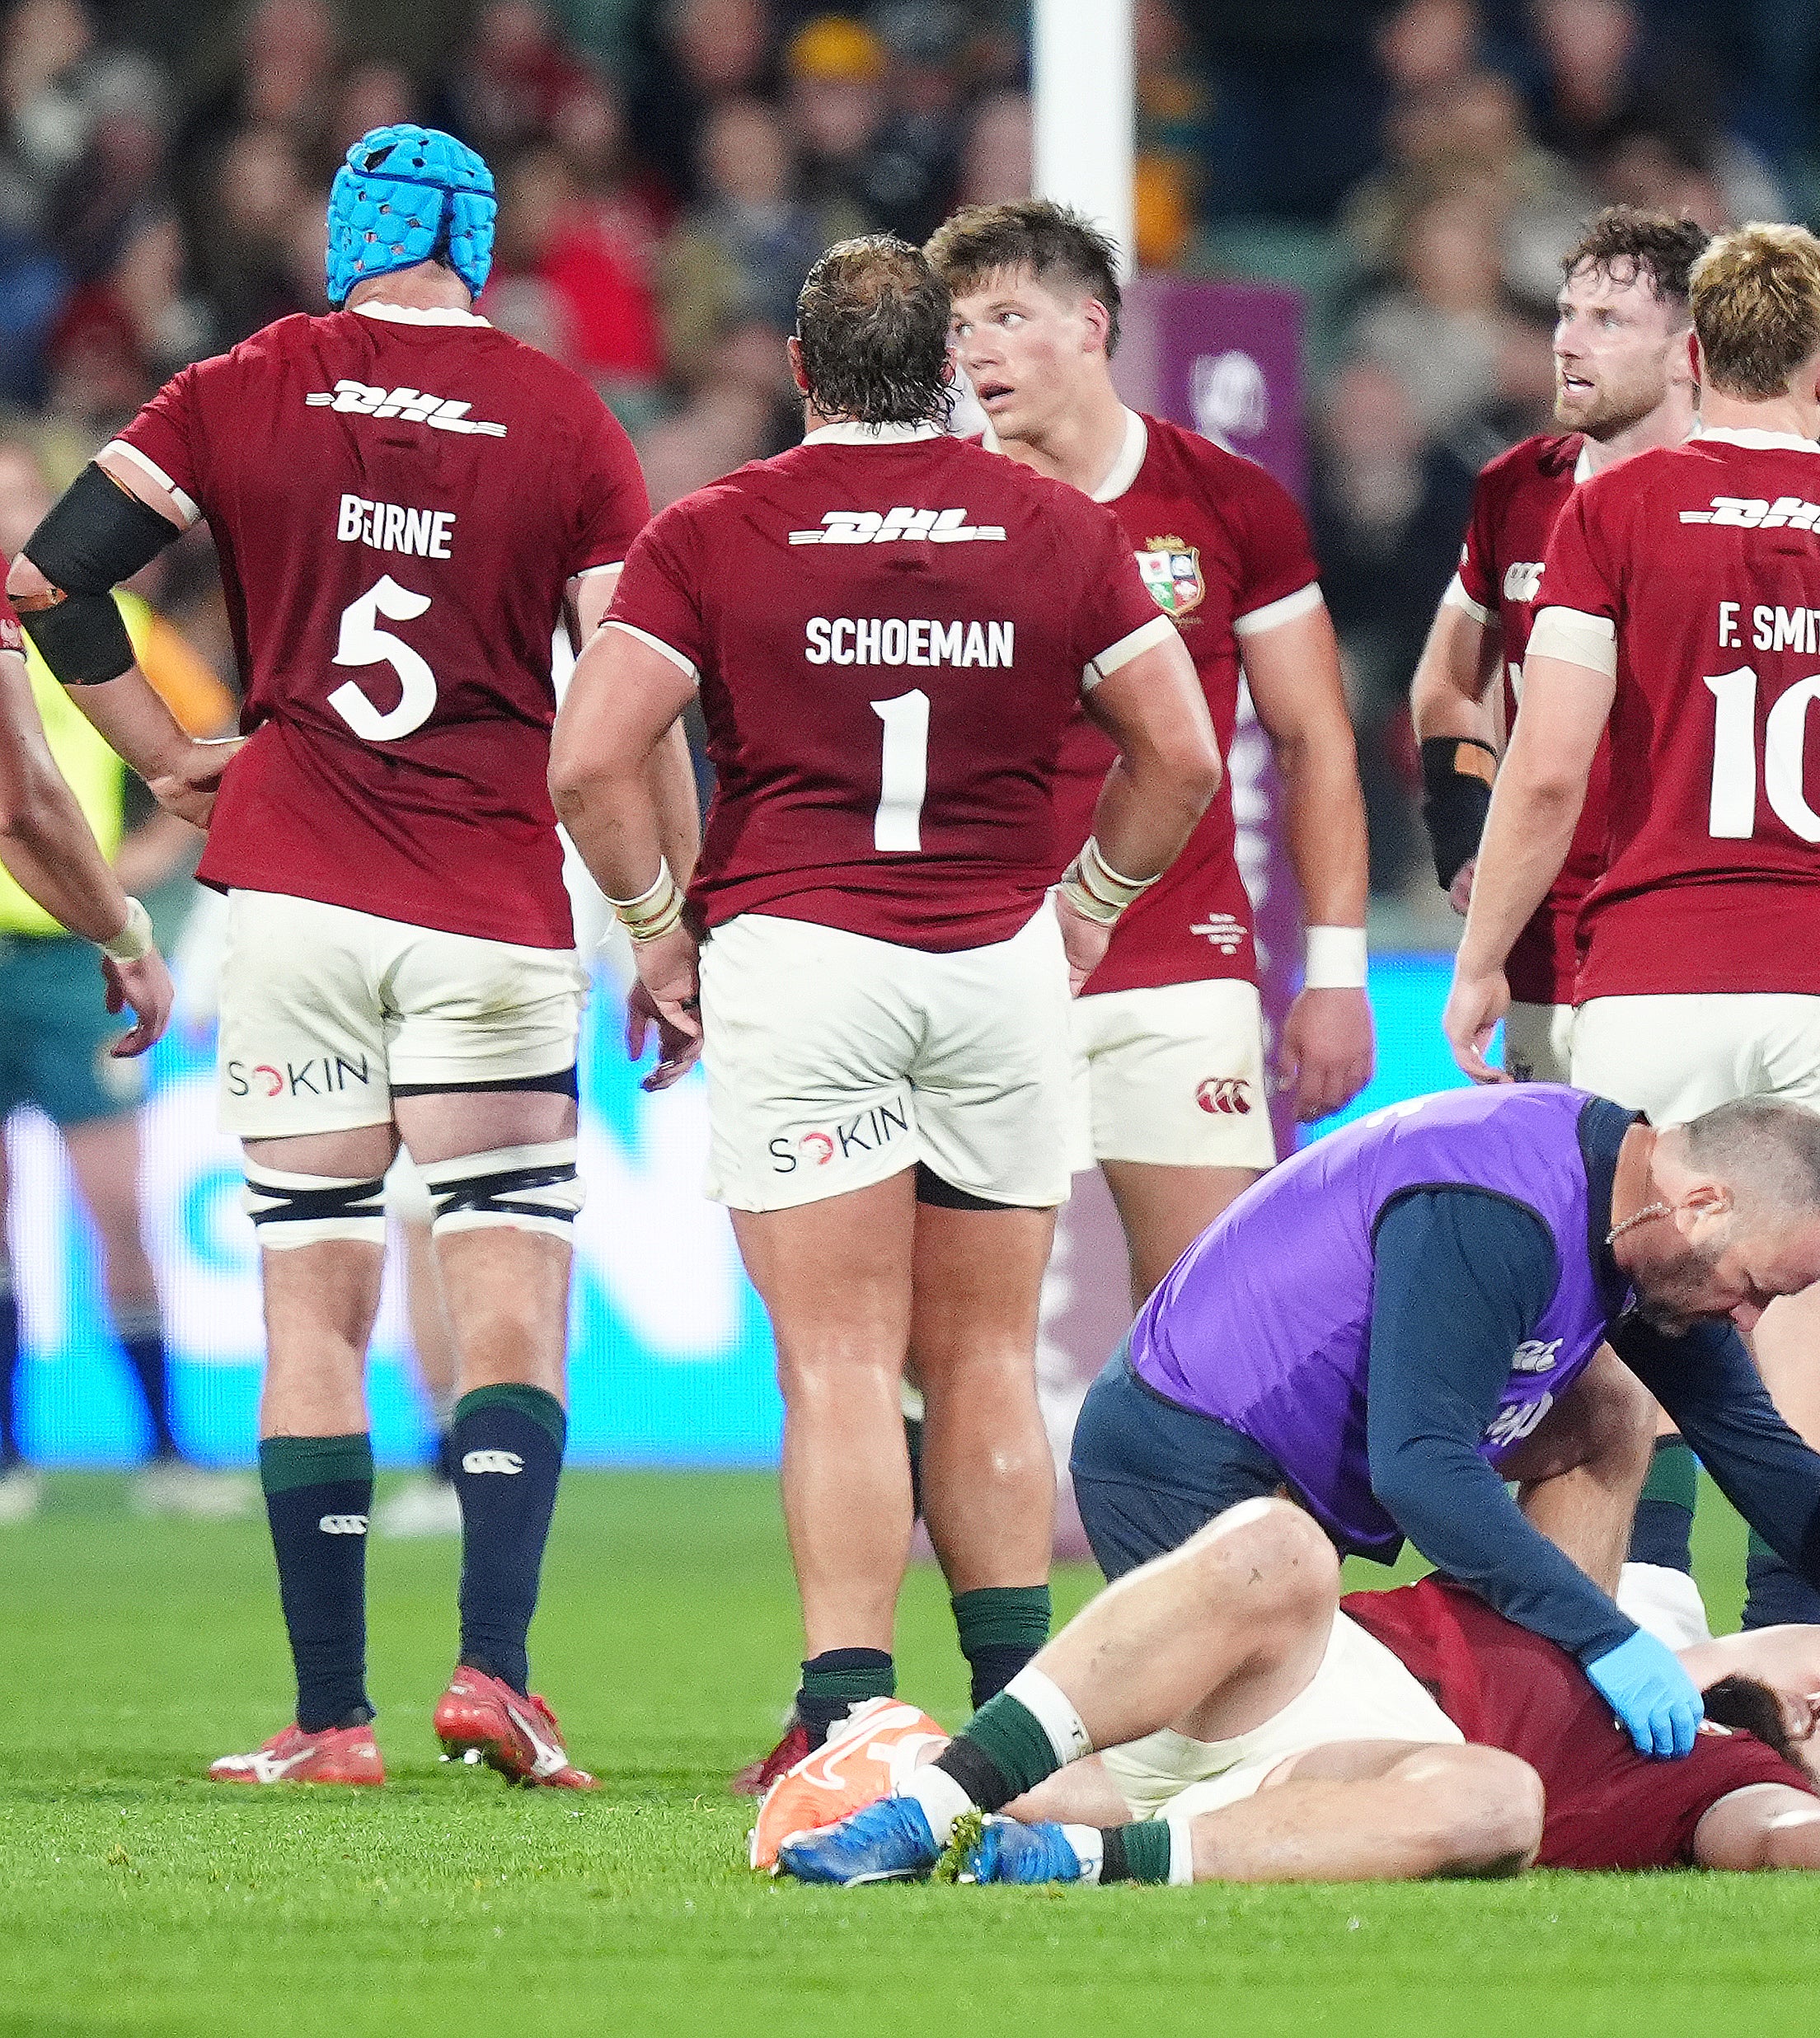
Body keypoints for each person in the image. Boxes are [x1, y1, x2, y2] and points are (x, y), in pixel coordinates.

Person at [8, 125, 681, 1789]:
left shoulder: (245, 382)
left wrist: (167, 754)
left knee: (314, 1296)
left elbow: (47, 580)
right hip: (488, 897)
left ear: (348, 238)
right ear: (475, 246)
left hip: (293, 897)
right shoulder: (561, 415)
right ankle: (497, 1676)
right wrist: (665, 920)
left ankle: (330, 1719)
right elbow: (632, 685)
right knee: (506, 1291)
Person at [547, 235, 1219, 1800]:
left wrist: (658, 933)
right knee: (985, 1355)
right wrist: (1091, 904)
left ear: (800, 370)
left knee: (841, 1360)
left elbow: (588, 762)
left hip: (804, 959)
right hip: (995, 964)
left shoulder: (716, 528)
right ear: (948, 369)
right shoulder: (1054, 523)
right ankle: (1016, 1721)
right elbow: (1182, 754)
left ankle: (849, 1717)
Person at [1444, 222, 1820, 1630]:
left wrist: (1480, 959)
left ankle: (1617, 1641)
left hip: (1652, 981)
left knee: (1619, 1350)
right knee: (1806, 1390)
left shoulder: (1610, 516)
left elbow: (1547, 769)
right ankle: (1791, 1678)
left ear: (1695, 355)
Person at [1062, 1082, 1820, 1763]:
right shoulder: (1498, 1208)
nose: (1748, 1320)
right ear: (1702, 1204)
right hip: (1184, 1465)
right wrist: (1605, 1634)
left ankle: (1543, 1714)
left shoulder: (1641, 1223)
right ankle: (1026, 1798)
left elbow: (1752, 1443)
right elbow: (1419, 1466)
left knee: (1611, 1408)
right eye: (1753, 1288)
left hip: (1297, 1473)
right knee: (1283, 1773)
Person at [762, 1496, 1820, 1886]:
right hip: (1296, 1671)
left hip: (1342, 1790)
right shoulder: (1673, 1648)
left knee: (1499, 1799)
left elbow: (1813, 1835)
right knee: (1277, 1542)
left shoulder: (1733, 1789)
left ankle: (1062, 1857)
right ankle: (929, 1785)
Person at [926, 199, 1376, 1308]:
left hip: (1181, 963)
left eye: (1006, 317)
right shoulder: (933, 511)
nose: (975, 350)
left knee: (1211, 1325)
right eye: (959, 326)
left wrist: (1335, 975)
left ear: (1090, 326)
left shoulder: (1226, 499)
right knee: (958, 1343)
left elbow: (1313, 738)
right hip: (982, 966)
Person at [1405, 202, 1709, 1637]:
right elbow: (1446, 687)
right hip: (1540, 945)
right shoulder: (1514, 491)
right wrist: (1460, 842)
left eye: (1608, 319)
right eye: (1565, 313)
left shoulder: (1733, 502)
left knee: (1673, 1259)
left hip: (1674, 940)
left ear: (1689, 348)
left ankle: (1663, 1577)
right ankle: (1544, 1592)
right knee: (1556, 1270)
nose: (1569, 342)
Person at [0, 440, 240, 1525]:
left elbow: (205, 744)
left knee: (118, 1208)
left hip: (75, 953)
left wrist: (131, 872)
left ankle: (167, 1449)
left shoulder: (116, 627)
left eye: (21, 494)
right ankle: (11, 1455)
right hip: (77, 942)